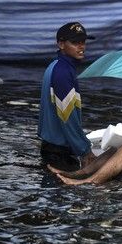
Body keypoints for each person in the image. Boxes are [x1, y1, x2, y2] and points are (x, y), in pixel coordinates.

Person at [38, 22, 97, 172]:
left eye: (83, 42)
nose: (81, 47)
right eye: (75, 42)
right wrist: (85, 150)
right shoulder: (63, 72)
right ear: (61, 44)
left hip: (52, 147)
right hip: (59, 154)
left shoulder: (55, 66)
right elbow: (68, 117)